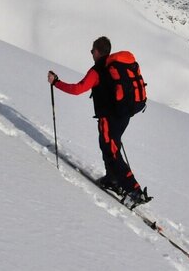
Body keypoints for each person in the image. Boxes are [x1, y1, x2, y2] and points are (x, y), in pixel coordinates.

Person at [47, 36, 149, 206]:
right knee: (109, 145)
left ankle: (134, 190)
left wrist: (56, 82)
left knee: (112, 151)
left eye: (92, 50)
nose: (91, 53)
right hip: (123, 115)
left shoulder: (97, 71)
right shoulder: (114, 67)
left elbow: (77, 89)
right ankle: (112, 179)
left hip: (109, 118)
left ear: (97, 52)